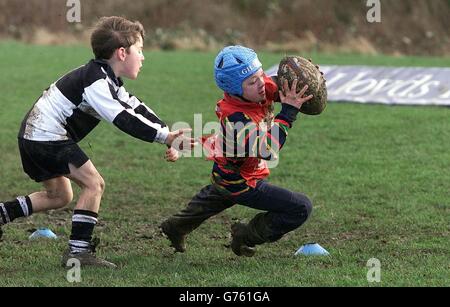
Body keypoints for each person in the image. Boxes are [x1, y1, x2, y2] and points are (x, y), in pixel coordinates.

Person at [0, 16, 193, 268]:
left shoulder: (106, 78)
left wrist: (168, 135)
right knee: (94, 184)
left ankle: (2, 213)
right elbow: (122, 118)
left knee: (59, 196)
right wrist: (165, 137)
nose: (143, 57)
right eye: (140, 50)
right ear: (122, 53)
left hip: (34, 136)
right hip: (45, 137)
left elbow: (135, 107)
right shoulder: (97, 82)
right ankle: (77, 254)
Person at [160, 45, 313, 257]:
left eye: (260, 74)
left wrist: (303, 82)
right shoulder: (236, 118)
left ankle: (175, 227)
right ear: (234, 89)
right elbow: (268, 149)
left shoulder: (256, 87)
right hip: (240, 180)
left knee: (213, 198)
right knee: (300, 207)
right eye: (252, 81)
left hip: (228, 170)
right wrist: (288, 112)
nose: (261, 83)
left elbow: (279, 86)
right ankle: (246, 235)